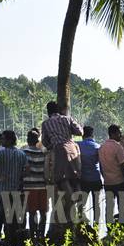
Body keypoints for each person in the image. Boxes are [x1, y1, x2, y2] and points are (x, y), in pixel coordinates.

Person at [41, 101, 83, 237]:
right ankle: (76, 205)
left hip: (60, 152)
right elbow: (80, 131)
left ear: (48, 112)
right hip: (74, 150)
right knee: (75, 178)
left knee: (62, 180)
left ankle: (69, 214)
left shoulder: (46, 123)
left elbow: (45, 142)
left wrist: (53, 144)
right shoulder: (67, 119)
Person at [0, 130, 28, 246]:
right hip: (16, 190)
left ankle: (0, 241)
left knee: (2, 217)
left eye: (3, 139)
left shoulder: (0, 152)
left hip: (3, 190)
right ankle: (15, 242)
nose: (1, 141)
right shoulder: (21, 154)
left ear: (9, 140)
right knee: (15, 218)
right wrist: (20, 178)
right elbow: (27, 169)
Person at [99, 124, 124, 225]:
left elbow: (101, 167)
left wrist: (105, 177)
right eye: (119, 133)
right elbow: (123, 165)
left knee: (109, 206)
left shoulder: (102, 147)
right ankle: (122, 228)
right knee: (122, 207)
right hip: (119, 182)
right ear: (113, 134)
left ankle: (109, 228)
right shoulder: (118, 147)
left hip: (107, 182)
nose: (120, 135)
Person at [21, 130, 48, 240]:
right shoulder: (44, 152)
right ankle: (41, 235)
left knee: (32, 213)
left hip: (29, 186)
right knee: (43, 212)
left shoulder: (24, 152)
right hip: (43, 186)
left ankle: (33, 236)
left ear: (27, 140)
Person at [77, 126, 103, 226]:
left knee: (81, 204)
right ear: (92, 135)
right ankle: (97, 225)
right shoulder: (98, 146)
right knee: (97, 204)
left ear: (83, 135)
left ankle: (81, 226)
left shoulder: (78, 145)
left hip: (83, 179)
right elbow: (101, 164)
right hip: (96, 178)